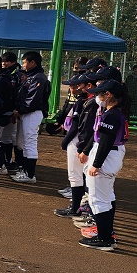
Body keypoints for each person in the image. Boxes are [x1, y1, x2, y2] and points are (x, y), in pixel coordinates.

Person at [78, 79, 130, 251]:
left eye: (100, 93)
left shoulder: (112, 114)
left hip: (107, 155)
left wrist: (96, 164)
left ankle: (105, 238)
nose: (97, 97)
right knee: (107, 197)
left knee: (98, 199)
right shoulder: (112, 112)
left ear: (108, 95)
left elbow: (106, 141)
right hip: (111, 154)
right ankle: (107, 234)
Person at [11, 51, 51, 184]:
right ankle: (26, 172)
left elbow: (32, 100)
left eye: (24, 62)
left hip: (33, 112)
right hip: (27, 112)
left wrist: (20, 111)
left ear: (33, 62)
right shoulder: (31, 76)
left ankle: (29, 174)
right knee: (24, 143)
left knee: (30, 143)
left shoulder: (38, 78)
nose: (23, 65)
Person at [55, 74, 92, 218]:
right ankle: (78, 206)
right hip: (82, 140)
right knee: (80, 175)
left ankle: (76, 208)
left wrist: (65, 140)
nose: (71, 88)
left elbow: (76, 125)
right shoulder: (83, 100)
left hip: (79, 140)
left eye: (74, 85)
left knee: (76, 174)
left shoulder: (84, 101)